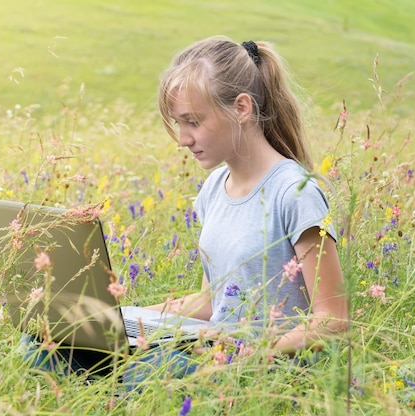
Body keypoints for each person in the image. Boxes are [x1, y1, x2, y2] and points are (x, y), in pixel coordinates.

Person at [148, 36, 348, 356]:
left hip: (268, 373)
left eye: (193, 122)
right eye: (178, 124)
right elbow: (212, 300)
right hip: (214, 357)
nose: (183, 139)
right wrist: (128, 318)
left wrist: (247, 357)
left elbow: (333, 319)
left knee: (138, 374)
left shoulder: (295, 194)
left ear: (241, 107)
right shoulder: (214, 188)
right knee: (50, 349)